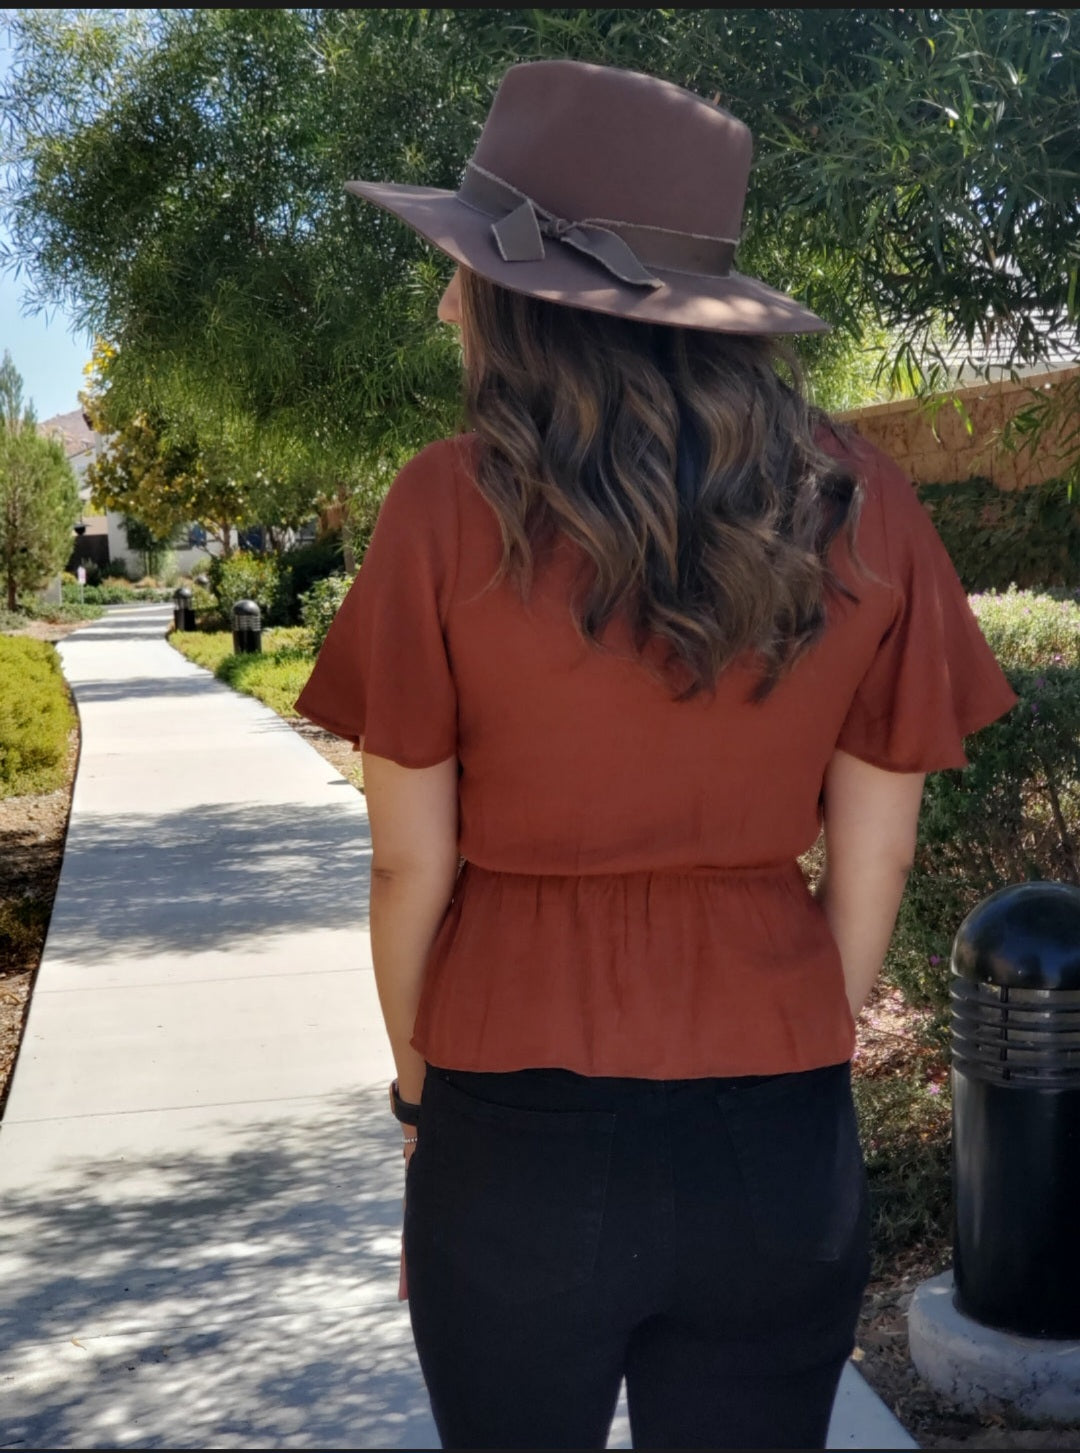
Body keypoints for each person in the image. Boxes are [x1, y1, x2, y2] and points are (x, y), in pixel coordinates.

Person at [295, 59, 1019, 1451]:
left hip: (513, 1126)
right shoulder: (856, 501)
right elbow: (881, 846)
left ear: (536, 301)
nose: (448, 295)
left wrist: (416, 1103)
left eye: (466, 267)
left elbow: (407, 861)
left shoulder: (448, 508)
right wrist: (796, 1032)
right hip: (776, 1139)